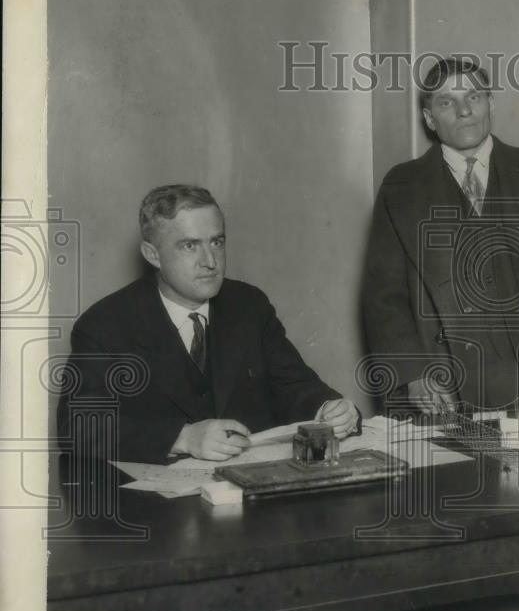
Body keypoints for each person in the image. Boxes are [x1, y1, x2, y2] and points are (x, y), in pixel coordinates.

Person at [363, 56, 519, 414]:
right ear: (429, 118)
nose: (464, 111)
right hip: (445, 390)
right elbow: (384, 296)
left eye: (473, 97)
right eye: (446, 102)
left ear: (491, 103)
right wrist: (413, 374)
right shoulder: (401, 188)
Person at [56, 185, 359, 464]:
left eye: (217, 242)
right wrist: (183, 438)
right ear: (152, 254)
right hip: (157, 511)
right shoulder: (105, 325)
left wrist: (328, 408)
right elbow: (78, 425)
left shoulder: (249, 306)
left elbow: (294, 384)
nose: (210, 261)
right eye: (190, 246)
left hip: (251, 493)